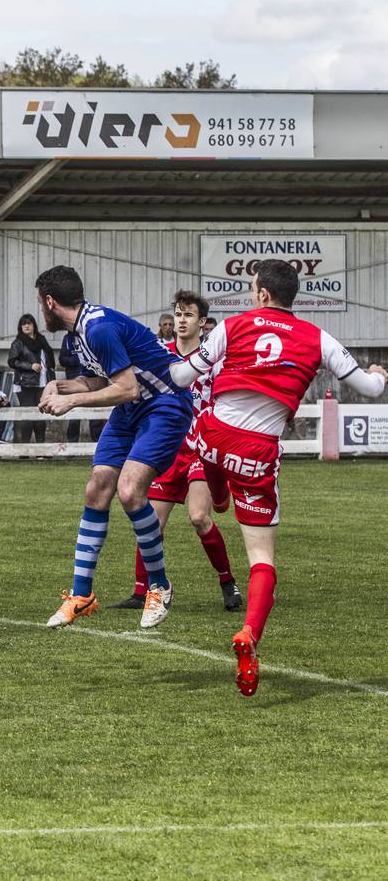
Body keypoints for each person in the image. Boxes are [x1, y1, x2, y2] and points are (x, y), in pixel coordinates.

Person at [169, 260, 386, 696]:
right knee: (262, 558)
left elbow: (179, 375)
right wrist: (380, 376)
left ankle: (217, 492)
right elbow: (369, 389)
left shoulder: (233, 326)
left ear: (263, 294)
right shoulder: (317, 338)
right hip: (257, 450)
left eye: (253, 289)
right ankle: (249, 633)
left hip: (214, 436)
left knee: (207, 445)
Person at [34, 266, 192, 631]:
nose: (42, 312)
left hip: (164, 405)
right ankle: (82, 595)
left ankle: (159, 585)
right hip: (132, 409)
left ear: (50, 301)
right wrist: (61, 387)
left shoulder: (99, 328)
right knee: (97, 489)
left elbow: (127, 388)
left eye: (41, 304)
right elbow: (101, 378)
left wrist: (73, 403)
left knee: (130, 490)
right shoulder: (78, 335)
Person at [108, 291, 242, 613]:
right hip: (167, 448)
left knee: (198, 516)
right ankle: (143, 591)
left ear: (202, 322)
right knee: (151, 520)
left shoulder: (214, 361)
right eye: (178, 315)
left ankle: (228, 582)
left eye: (188, 316)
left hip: (200, 450)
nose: (181, 321)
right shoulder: (160, 354)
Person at [8, 313, 55, 444]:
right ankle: (25, 449)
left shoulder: (41, 340)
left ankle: (41, 449)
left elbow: (49, 359)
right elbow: (12, 361)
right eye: (24, 324)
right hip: (26, 384)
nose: (26, 326)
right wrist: (30, 366)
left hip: (43, 382)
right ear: (20, 327)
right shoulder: (18, 343)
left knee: (41, 415)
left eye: (29, 323)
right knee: (27, 416)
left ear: (34, 325)